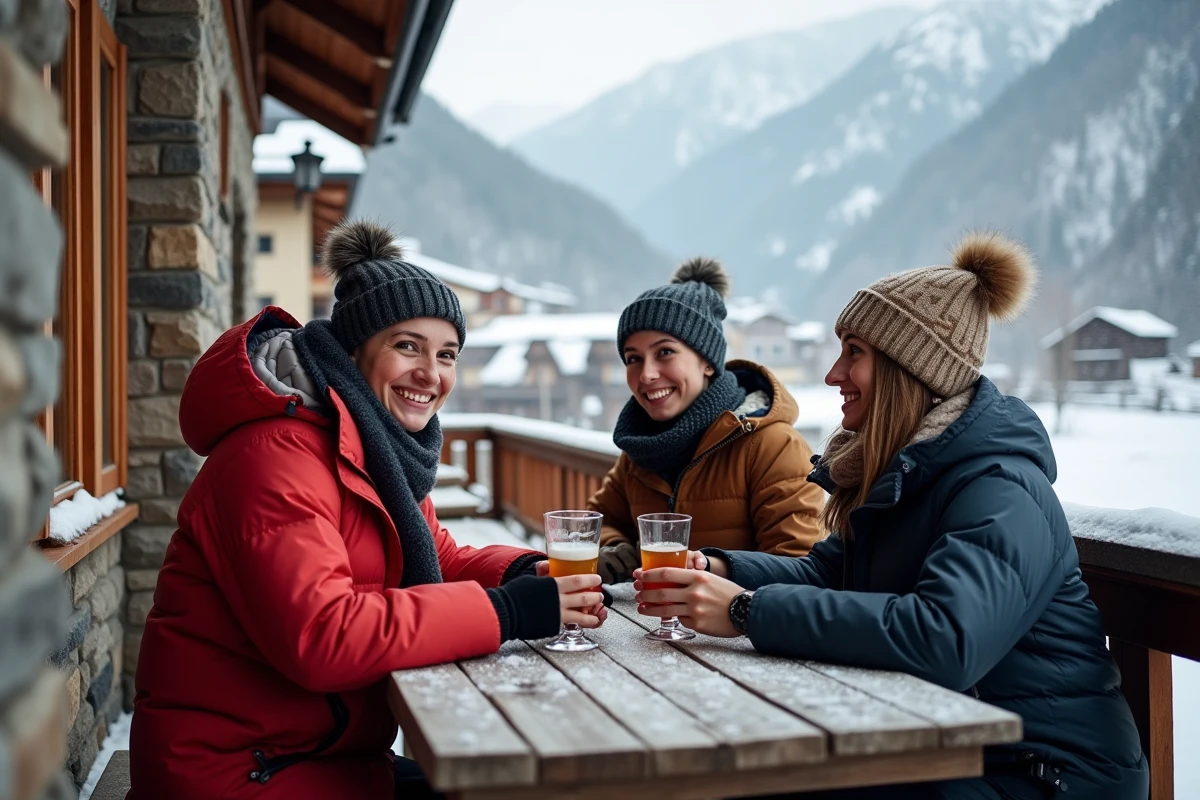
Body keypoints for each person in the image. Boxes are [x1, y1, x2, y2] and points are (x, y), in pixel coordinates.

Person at [635, 233, 1148, 798]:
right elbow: (826, 572)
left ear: (910, 369)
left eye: (854, 351)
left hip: (1044, 771)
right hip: (948, 744)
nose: (833, 374)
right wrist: (721, 568)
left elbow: (945, 639)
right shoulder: (907, 474)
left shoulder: (999, 489)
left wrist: (743, 611)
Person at [128, 220, 606, 800]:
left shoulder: (370, 444)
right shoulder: (273, 455)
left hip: (322, 757)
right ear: (352, 351)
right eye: (408, 346)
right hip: (240, 775)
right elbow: (323, 637)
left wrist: (523, 572)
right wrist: (506, 612)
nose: (431, 375)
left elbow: (434, 556)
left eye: (447, 354)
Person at [587, 257, 825, 584]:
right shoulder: (639, 450)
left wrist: (712, 572)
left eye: (665, 352)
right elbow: (598, 522)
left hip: (741, 632)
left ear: (707, 362)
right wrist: (617, 549)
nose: (647, 374)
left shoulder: (773, 445)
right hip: (653, 626)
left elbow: (800, 567)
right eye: (633, 359)